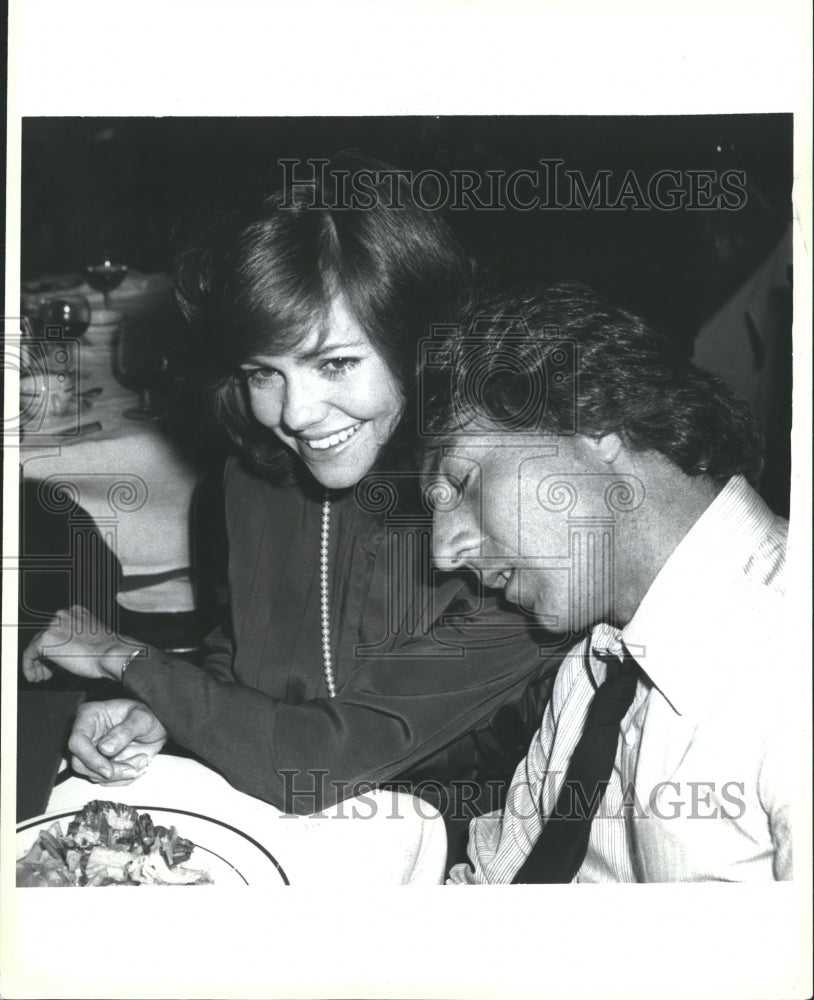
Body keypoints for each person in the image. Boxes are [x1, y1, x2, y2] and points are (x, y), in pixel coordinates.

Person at [21, 155, 560, 860]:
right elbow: (237, 658)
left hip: (454, 850)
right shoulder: (256, 478)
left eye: (335, 363)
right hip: (279, 816)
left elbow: (318, 758)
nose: (298, 414)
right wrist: (160, 713)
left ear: (420, 349)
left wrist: (126, 656)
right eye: (262, 373)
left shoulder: (506, 523)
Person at [424, 281, 794, 882]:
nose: (444, 553)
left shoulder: (788, 669)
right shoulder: (594, 668)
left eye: (462, 482)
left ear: (592, 418)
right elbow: (492, 887)